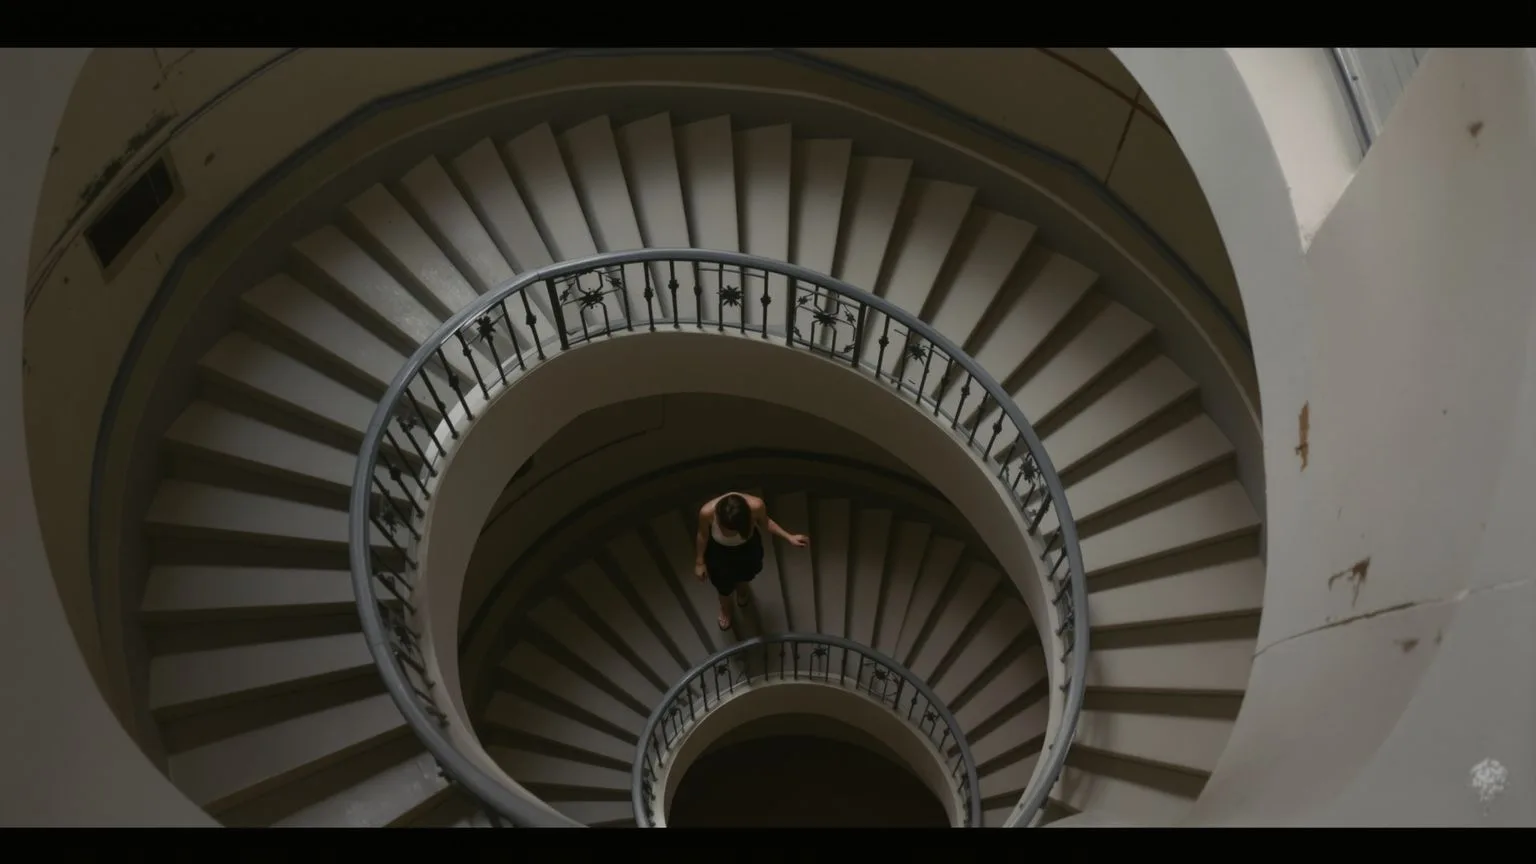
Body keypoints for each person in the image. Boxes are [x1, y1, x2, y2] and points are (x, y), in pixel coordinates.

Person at [694, 492, 809, 630]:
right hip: (719, 552)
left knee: (746, 574)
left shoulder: (756, 506)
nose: (732, 535)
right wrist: (700, 562)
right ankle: (726, 608)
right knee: (723, 585)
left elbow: (766, 522)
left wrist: (789, 537)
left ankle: (742, 591)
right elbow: (702, 535)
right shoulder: (707, 513)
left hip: (748, 549)